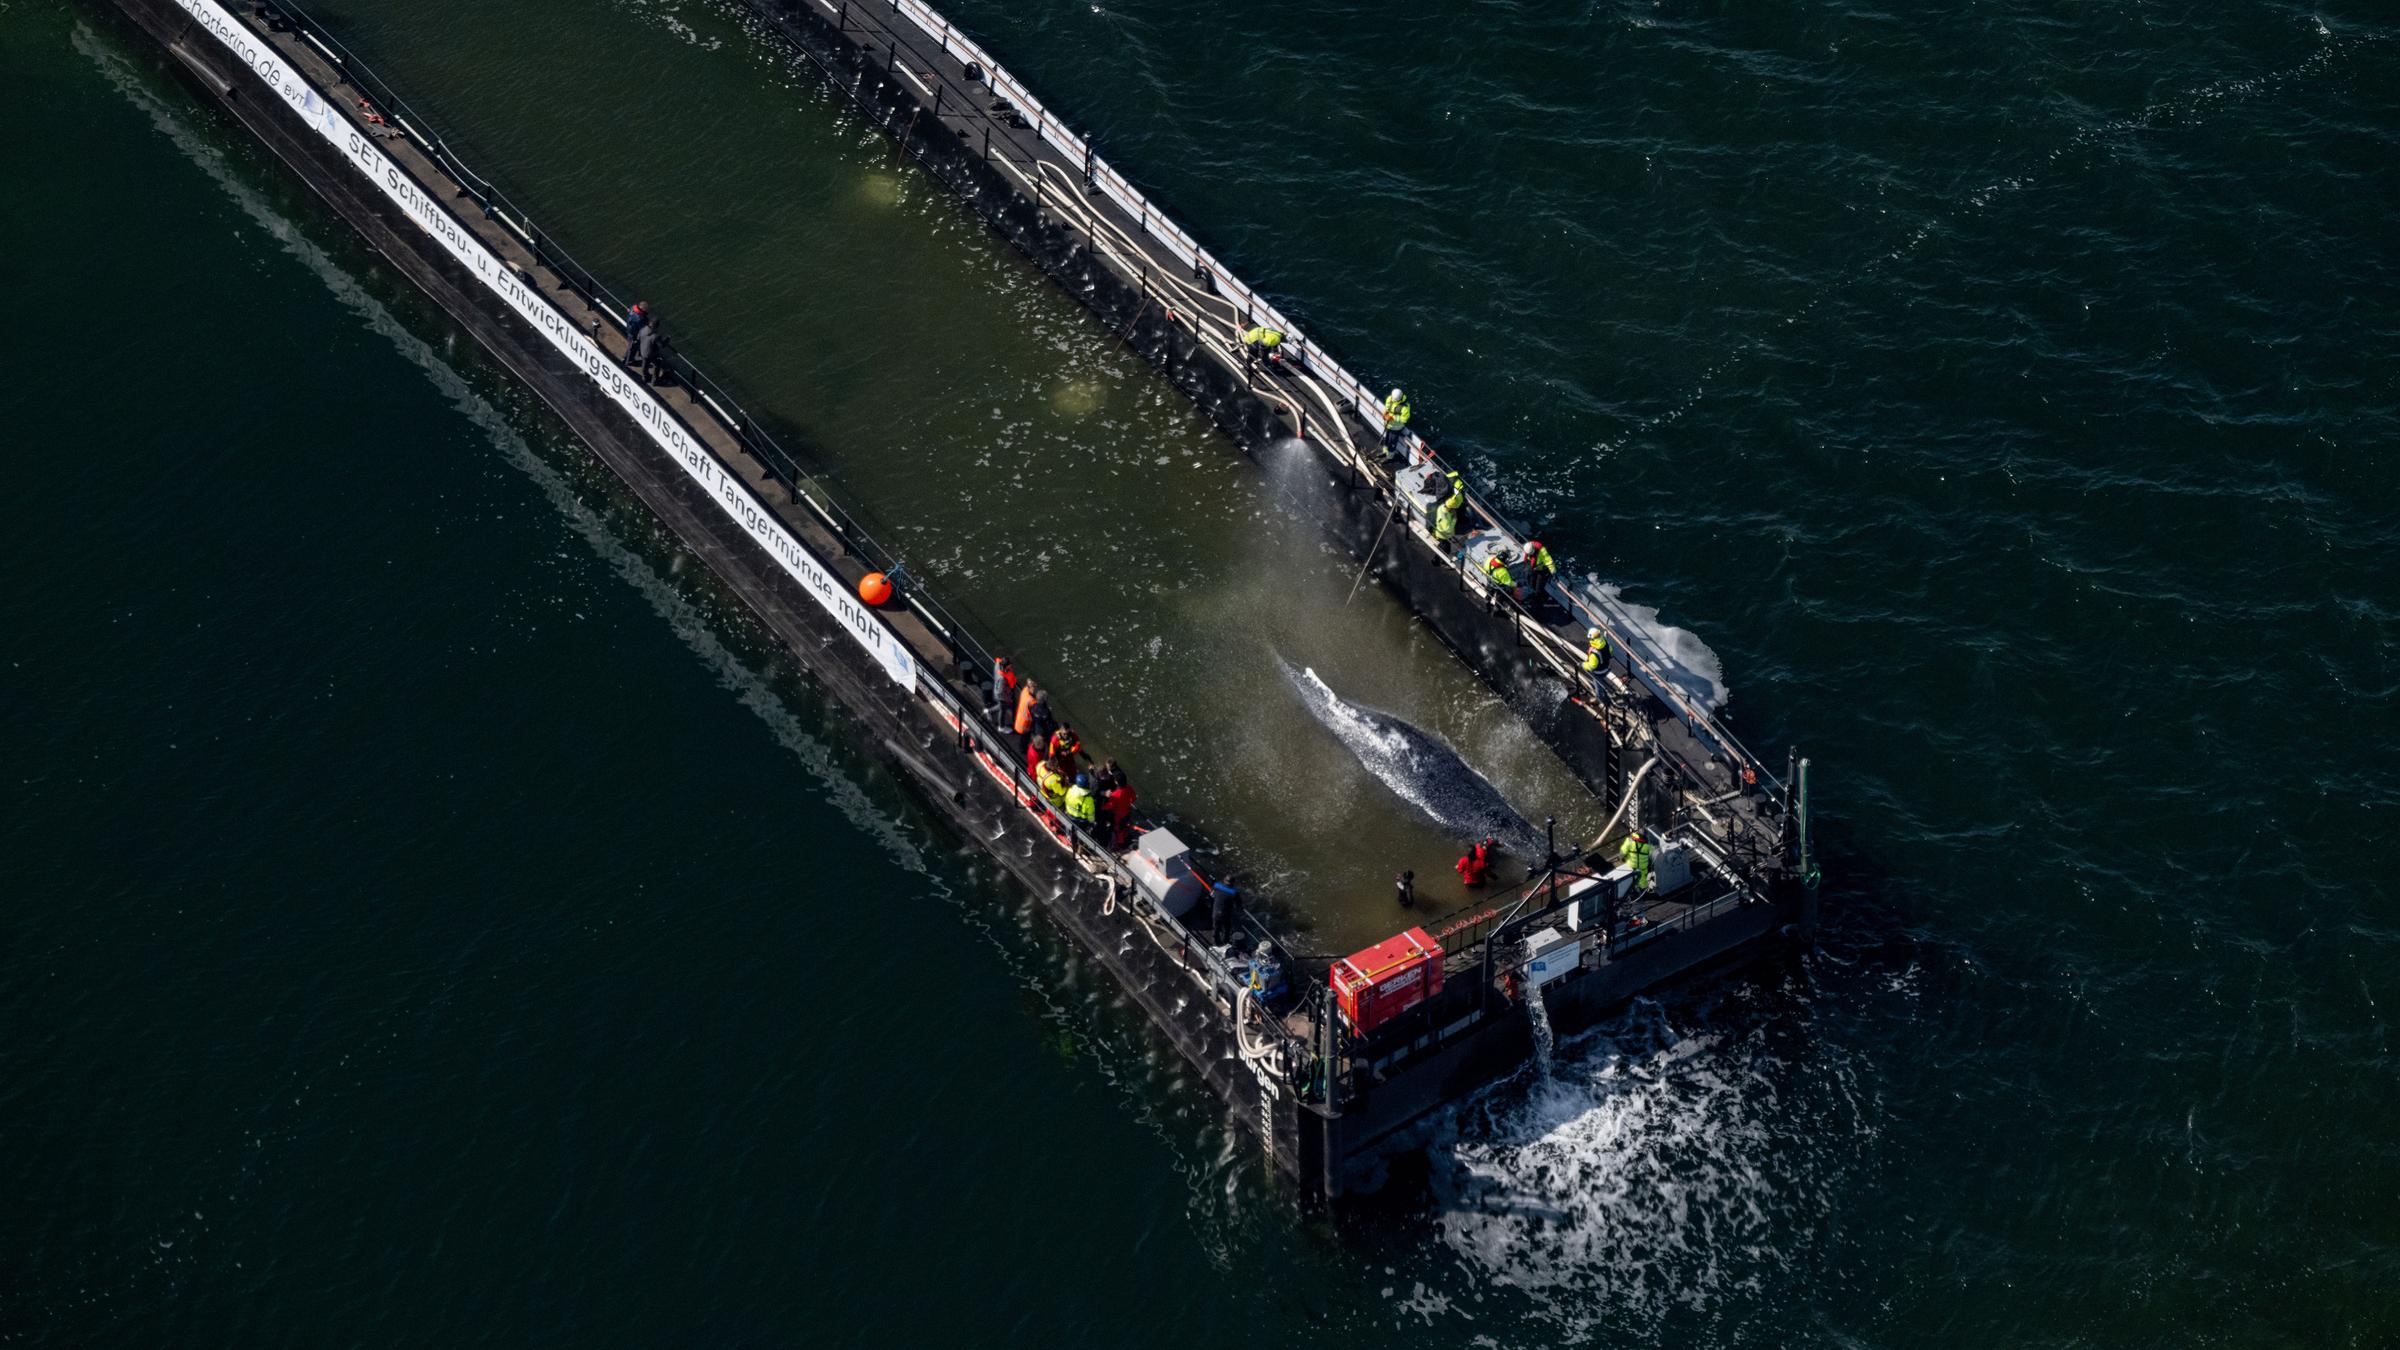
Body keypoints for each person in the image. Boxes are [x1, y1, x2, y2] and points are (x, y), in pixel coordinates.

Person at [1101, 778, 1137, 847]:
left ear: (1117, 782)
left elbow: (1110, 806)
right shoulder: (1129, 787)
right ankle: (1126, 837)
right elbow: (1134, 798)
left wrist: (1102, 807)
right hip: (1127, 812)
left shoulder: (1116, 794)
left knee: (1118, 829)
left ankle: (1120, 844)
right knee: (1125, 827)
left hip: (1118, 816)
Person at [1619, 827, 1652, 892]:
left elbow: (1622, 853)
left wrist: (1621, 858)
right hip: (1643, 868)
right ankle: (1643, 892)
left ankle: (1632, 891)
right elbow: (1651, 853)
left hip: (1631, 867)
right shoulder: (1648, 845)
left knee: (1629, 882)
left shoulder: (1629, 841)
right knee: (1643, 882)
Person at [1013, 681, 1040, 756]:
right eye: (1034, 688)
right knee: (1024, 738)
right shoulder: (1032, 701)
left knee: (1023, 736)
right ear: (1030, 688)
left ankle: (1022, 747)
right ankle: (1023, 750)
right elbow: (1035, 711)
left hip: (1020, 719)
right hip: (1025, 724)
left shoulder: (1025, 691)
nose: (1035, 689)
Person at [1382, 387, 1412, 452]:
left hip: (1396, 428)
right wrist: (1385, 412)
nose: (1392, 400)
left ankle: (1390, 455)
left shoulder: (1405, 407)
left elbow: (1404, 419)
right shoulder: (1390, 398)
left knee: (1392, 442)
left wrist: (1393, 418)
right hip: (1388, 425)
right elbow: (1387, 405)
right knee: (1386, 439)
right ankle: (1385, 451)